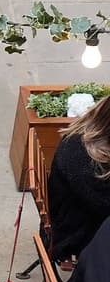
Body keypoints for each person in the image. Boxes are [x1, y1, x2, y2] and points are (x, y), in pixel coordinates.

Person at [48, 96, 110, 263]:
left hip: (87, 218)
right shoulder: (82, 157)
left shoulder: (88, 136)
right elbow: (104, 206)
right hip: (76, 232)